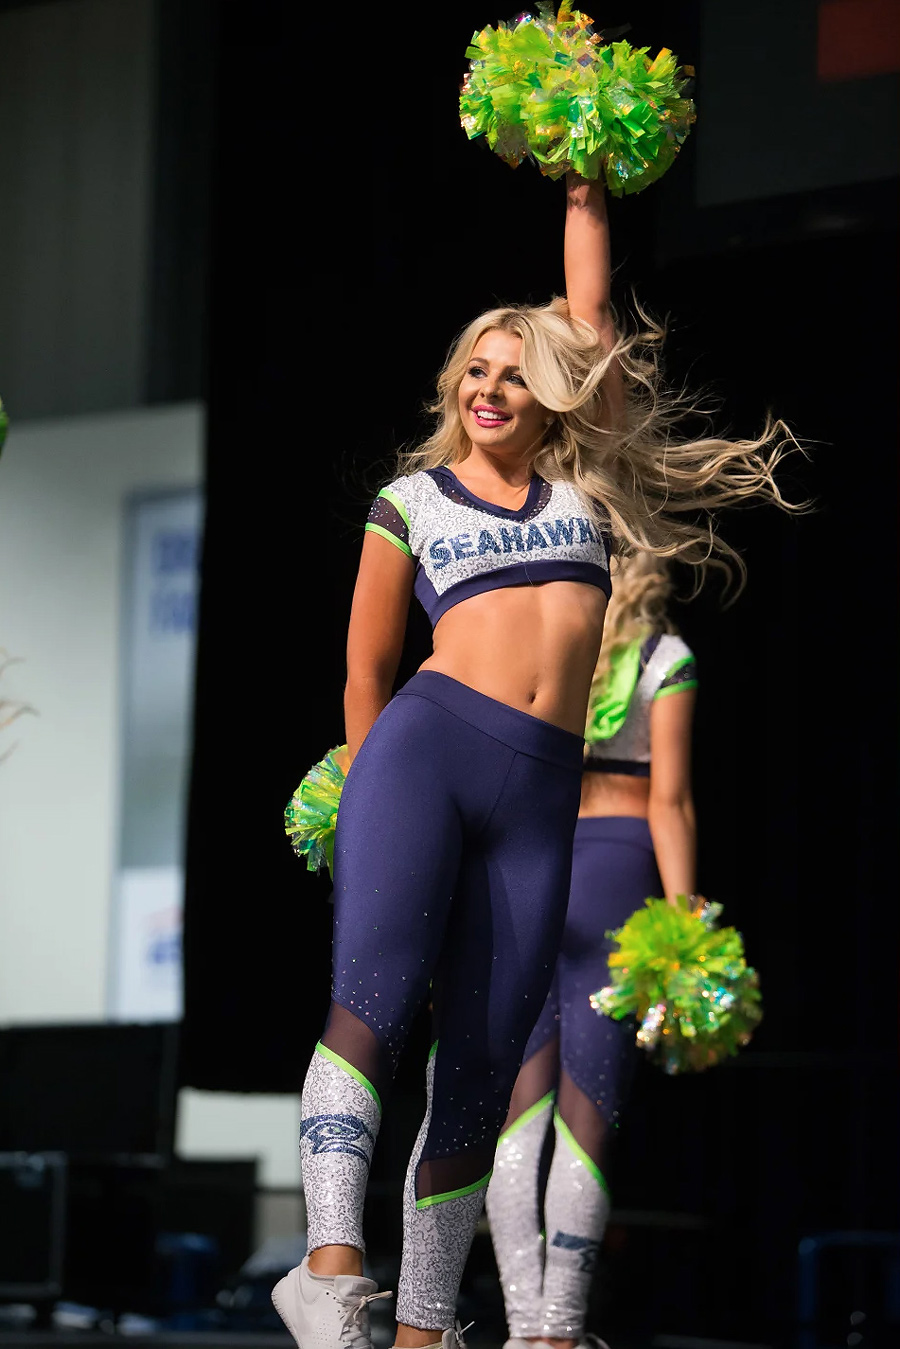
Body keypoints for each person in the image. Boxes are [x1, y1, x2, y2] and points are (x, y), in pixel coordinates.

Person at [271, 170, 796, 1349]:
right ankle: (330, 1264)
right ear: (455, 390)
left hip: (537, 798)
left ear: (549, 392)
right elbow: (365, 673)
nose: (491, 384)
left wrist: (585, 186)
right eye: (475, 368)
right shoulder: (408, 500)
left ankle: (420, 1328)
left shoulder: (582, 483)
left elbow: (593, 316)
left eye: (514, 369)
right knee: (372, 1007)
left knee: (483, 1062)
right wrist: (361, 793)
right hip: (422, 751)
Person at [486, 551, 698, 1349]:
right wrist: (685, 931)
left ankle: (519, 1326)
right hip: (616, 872)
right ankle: (558, 1331)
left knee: (517, 1111)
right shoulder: (666, 659)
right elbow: (671, 802)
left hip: (535, 867)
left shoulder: (550, 643)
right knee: (588, 1110)